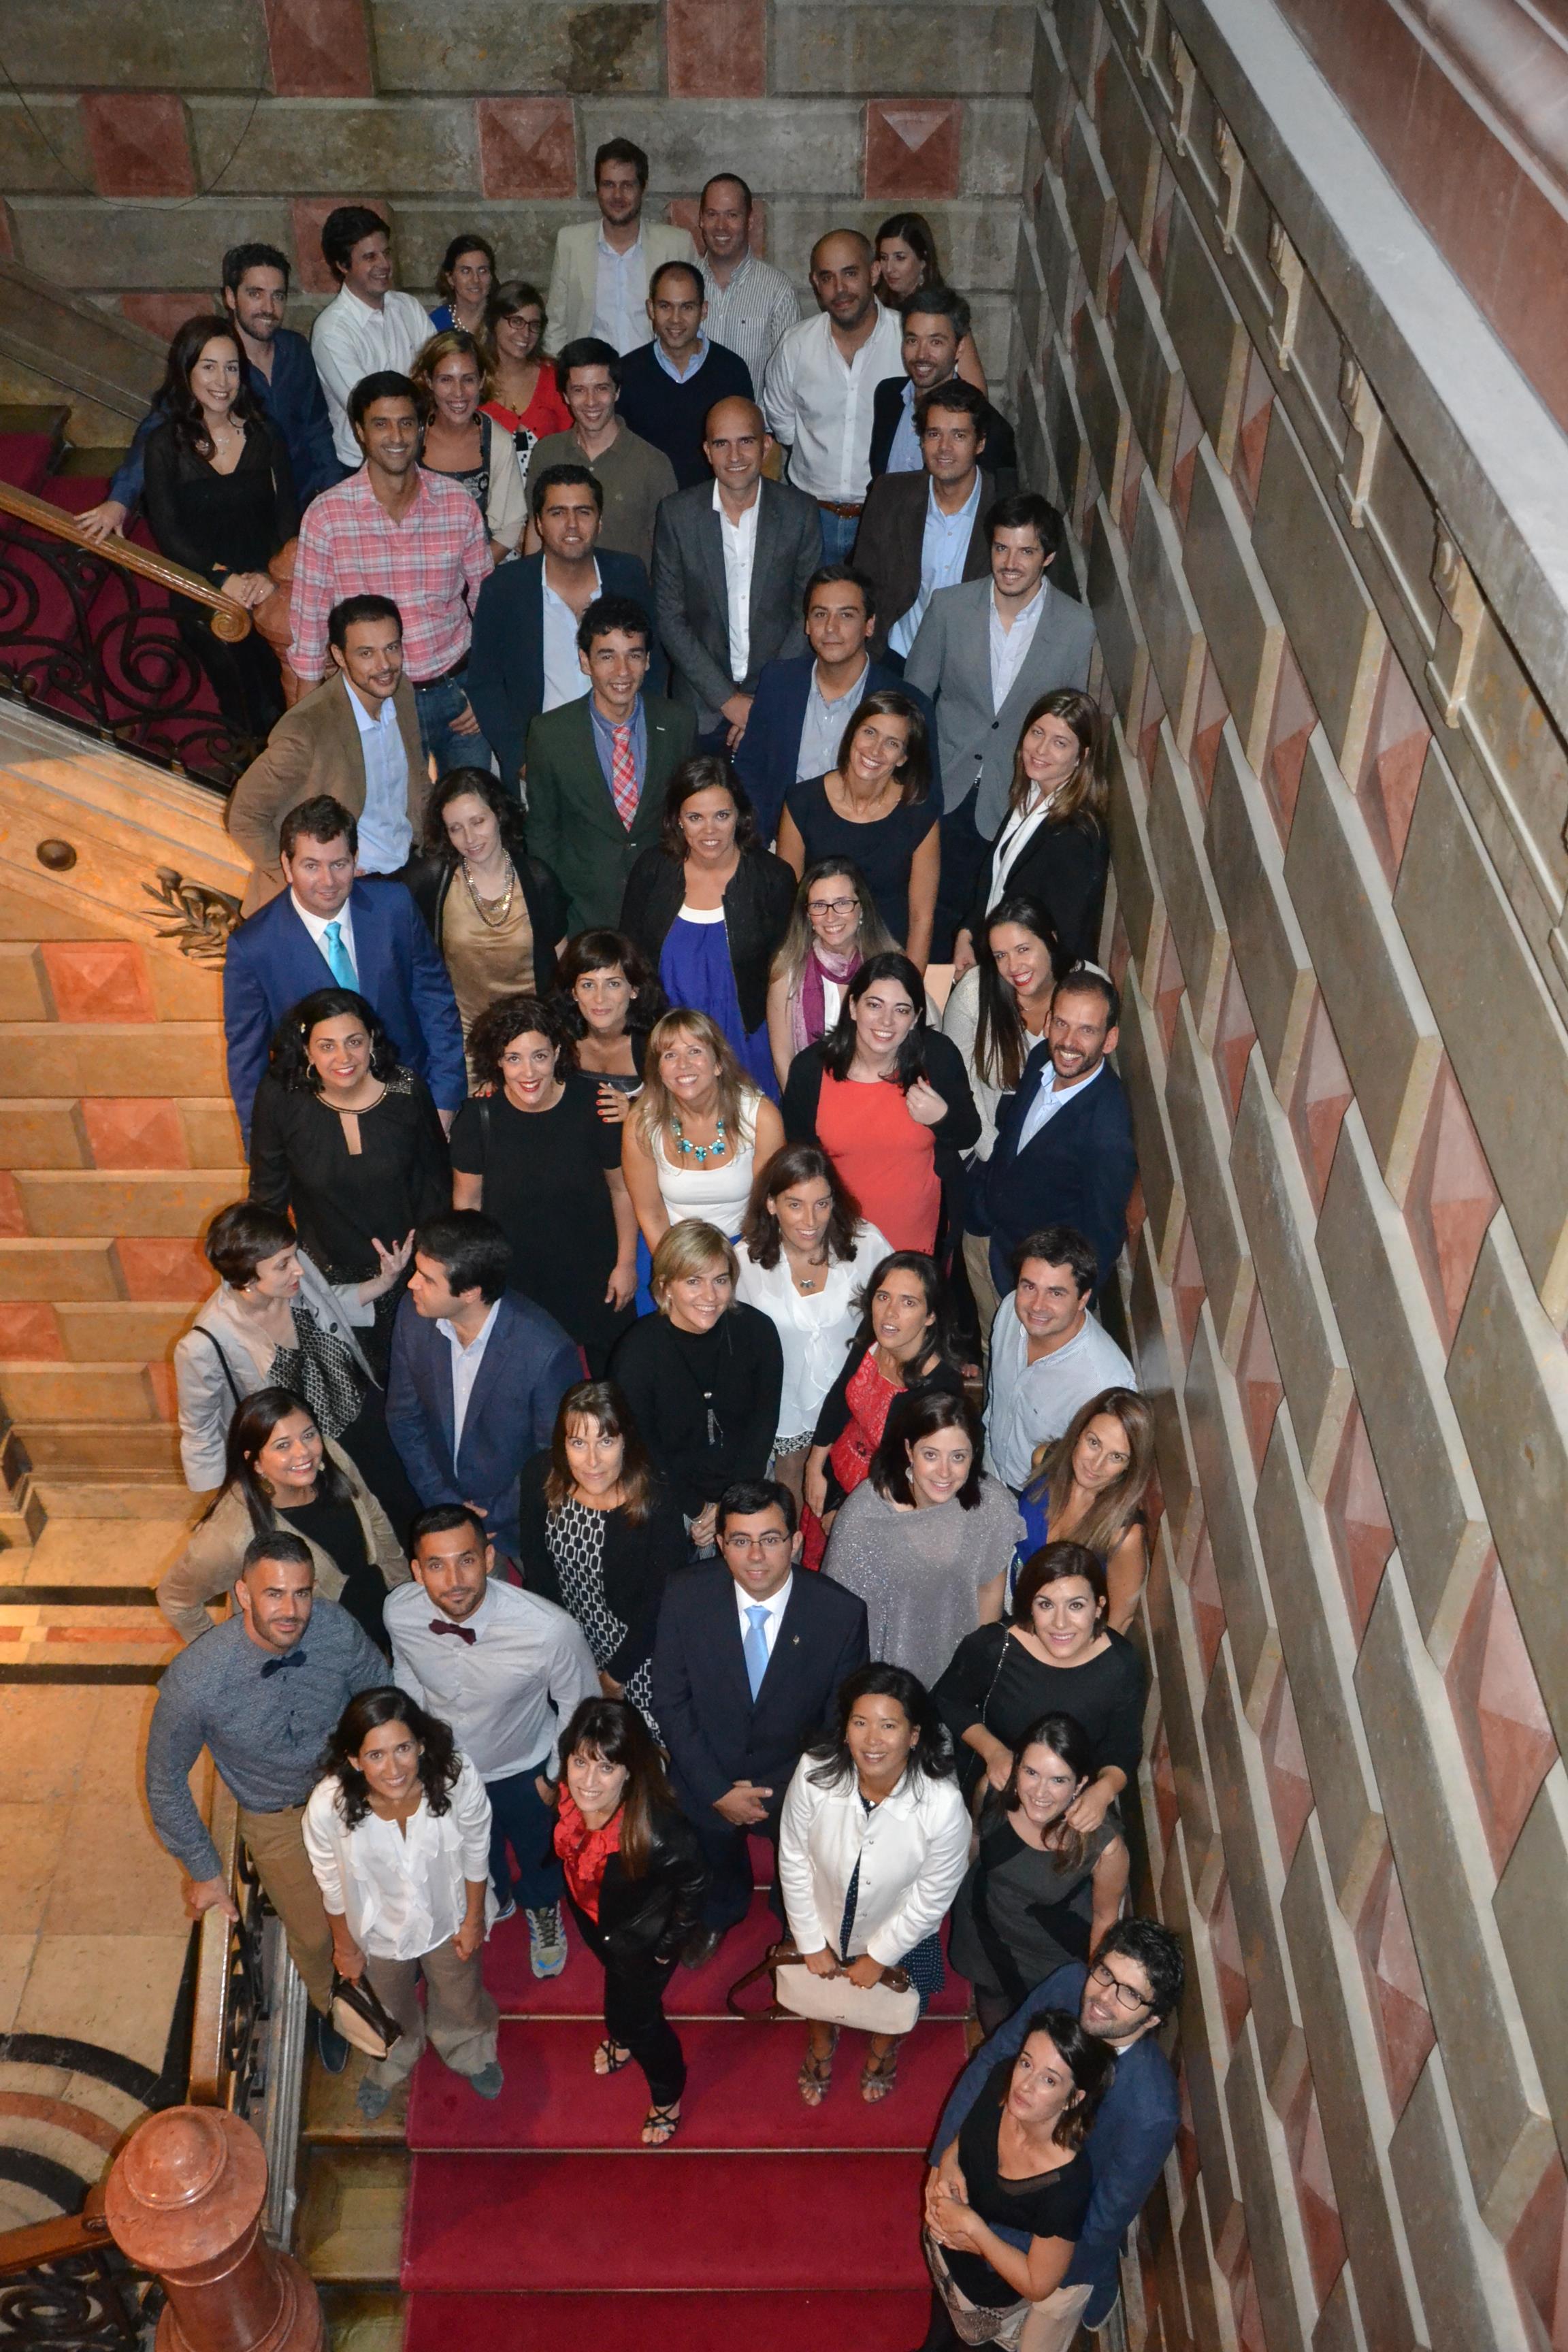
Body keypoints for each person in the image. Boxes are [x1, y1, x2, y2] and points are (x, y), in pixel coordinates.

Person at [145, 1533, 387, 2072]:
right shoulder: (196, 1679)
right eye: (274, 1594)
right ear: (243, 1595)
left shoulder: (334, 1627)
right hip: (277, 1816)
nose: (291, 1610)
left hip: (349, 1789)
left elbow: (379, 1688)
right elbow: (164, 1781)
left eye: (301, 1593)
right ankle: (334, 2008)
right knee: (314, 1935)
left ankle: (389, 1977)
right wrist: (204, 1869)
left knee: (379, 1897)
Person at [926, 1918, 1186, 2344]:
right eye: (1105, 1973)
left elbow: (1100, 2221)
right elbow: (995, 2061)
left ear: (1153, 2019)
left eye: (1130, 1994)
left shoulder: (1150, 2110)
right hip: (1008, 2185)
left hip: (1056, 2240)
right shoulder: (1069, 1986)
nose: (1104, 1997)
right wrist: (944, 2161)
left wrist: (986, 2241)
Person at [651, 1477, 868, 1962]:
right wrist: (717, 1791)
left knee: (804, 1870)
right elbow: (670, 1700)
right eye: (740, 1541)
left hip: (797, 1780)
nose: (755, 1556)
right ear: (720, 1543)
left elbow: (842, 1722)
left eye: (770, 1539)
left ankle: (794, 1920)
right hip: (708, 1774)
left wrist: (780, 1790)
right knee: (713, 1855)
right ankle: (721, 1912)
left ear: (797, 1541)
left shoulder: (840, 1613)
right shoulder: (685, 1595)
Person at [388, 1504, 599, 1978]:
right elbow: (406, 1669)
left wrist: (554, 1776)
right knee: (472, 1849)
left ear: (488, 1558)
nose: (454, 1580)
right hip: (448, 1769)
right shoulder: (399, 1611)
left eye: (466, 1560)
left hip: (524, 1768)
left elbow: (581, 1707)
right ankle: (496, 1897)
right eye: (436, 1565)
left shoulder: (549, 1630)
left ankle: (543, 1908)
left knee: (538, 1852)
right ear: (417, 1571)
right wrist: (417, 1747)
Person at [904, 494, 1097, 959]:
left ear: (1048, 557)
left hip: (1014, 797)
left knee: (988, 925)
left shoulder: (1075, 626)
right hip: (944, 788)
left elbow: (1068, 721)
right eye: (1001, 548)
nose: (1010, 564)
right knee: (928, 915)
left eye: (1026, 551)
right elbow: (913, 701)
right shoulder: (949, 607)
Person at [306, 1686, 504, 2117]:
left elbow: (476, 1848)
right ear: (354, 1760)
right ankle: (393, 2060)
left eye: (403, 1749)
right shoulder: (327, 1807)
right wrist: (344, 1946)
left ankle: (469, 2049)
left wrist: (473, 1918)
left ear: (421, 1745)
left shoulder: (455, 1777)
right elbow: (330, 1883)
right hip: (376, 1930)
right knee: (388, 2004)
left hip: (448, 1913)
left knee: (460, 1991)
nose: (393, 1769)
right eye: (376, 1755)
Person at [779, 1663, 968, 2106]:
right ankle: (821, 2044)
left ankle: (883, 2050)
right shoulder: (814, 1772)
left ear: (914, 1735)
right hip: (822, 1910)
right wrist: (810, 1940)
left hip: (900, 1929)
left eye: (888, 1726)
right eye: (860, 1723)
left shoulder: (943, 1805)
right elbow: (793, 1857)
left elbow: (932, 1897)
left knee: (891, 2004)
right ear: (845, 1729)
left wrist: (881, 1955)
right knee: (818, 1989)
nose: (872, 1740)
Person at [223, 798, 466, 1144]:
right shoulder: (254, 947)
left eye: (339, 864)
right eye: (311, 866)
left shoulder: (394, 907)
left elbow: (436, 1005)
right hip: (320, 1132)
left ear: (355, 860)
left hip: (412, 1109)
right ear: (287, 866)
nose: (328, 881)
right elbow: (248, 1063)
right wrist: (264, 1151)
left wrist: (444, 1101)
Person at [288, 372, 493, 775]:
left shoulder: (457, 504)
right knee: (394, 815)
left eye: (406, 423)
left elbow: (488, 604)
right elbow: (309, 637)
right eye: (381, 424)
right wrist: (307, 740)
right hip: (374, 705)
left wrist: (488, 689)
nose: (396, 436)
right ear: (360, 432)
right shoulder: (327, 517)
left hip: (458, 695)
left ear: (421, 429)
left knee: (474, 806)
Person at [174, 1201, 414, 1534]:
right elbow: (199, 1430)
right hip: (309, 1458)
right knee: (354, 1534)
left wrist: (384, 1282)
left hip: (364, 1419)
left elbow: (329, 1302)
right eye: (283, 1265)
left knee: (403, 1515)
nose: (298, 1269)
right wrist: (228, 1505)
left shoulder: (294, 1278)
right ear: (247, 1276)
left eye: (294, 1256)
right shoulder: (205, 1344)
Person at [246, 990, 451, 1369]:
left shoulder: (407, 1089)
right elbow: (267, 1198)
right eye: (327, 1046)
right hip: (328, 1283)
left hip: (411, 1278)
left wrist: (433, 1268)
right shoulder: (281, 1096)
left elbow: (437, 1187)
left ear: (372, 1040)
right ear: (307, 1051)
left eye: (354, 1042)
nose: (343, 1058)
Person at [80, 242, 336, 542]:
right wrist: (120, 499)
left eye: (278, 296)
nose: (269, 308)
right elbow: (155, 435)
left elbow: (317, 429)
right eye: (255, 294)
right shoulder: (209, 363)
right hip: (250, 517)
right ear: (230, 297)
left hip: (307, 503)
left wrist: (334, 495)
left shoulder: (296, 349)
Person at [451, 996, 638, 1371]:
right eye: (513, 1058)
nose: (528, 1072)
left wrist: (626, 1264)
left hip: (595, 1275)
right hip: (517, 1282)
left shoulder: (596, 1105)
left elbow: (622, 1191)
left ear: (557, 1053)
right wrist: (477, 1278)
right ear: (498, 1061)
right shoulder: (477, 1118)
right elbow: (467, 1207)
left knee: (611, 1383)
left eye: (539, 1056)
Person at [385, 1211, 583, 1566]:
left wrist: (490, 1516)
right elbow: (404, 1417)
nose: (411, 1284)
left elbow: (554, 1455)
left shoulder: (545, 1351)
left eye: (427, 1279)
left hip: (521, 1522)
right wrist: (444, 1502)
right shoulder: (413, 1317)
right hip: (443, 1507)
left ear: (470, 1293)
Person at [553, 1696, 708, 2144]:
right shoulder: (568, 1800)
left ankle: (667, 2093)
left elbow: (696, 1884)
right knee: (620, 2000)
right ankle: (621, 2036)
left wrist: (667, 1947)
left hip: (643, 1944)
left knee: (641, 2023)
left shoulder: (660, 1831)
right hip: (599, 1923)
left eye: (606, 1767)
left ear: (629, 1771)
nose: (587, 1782)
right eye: (580, 1762)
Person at [156, 1388, 410, 1652]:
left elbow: (373, 1515)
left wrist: (404, 1593)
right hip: (321, 1653)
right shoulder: (231, 1534)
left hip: (381, 1619)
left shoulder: (330, 1455)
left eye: (309, 1435)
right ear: (255, 1462)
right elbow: (176, 1599)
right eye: (283, 1445)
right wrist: (232, 1657)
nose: (303, 1453)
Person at [141, 314, 297, 736]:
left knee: (285, 692)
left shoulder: (266, 433)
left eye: (231, 368)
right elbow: (169, 534)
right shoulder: (164, 445)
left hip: (267, 580)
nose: (222, 381)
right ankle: (248, 754)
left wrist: (268, 575)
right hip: (203, 584)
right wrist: (223, 579)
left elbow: (287, 517)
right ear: (186, 371)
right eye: (208, 367)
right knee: (245, 696)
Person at [920, 2009, 1112, 2351]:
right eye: (1026, 2063)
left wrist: (973, 2228)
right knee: (938, 2337)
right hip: (948, 2256)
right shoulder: (1001, 2082)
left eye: (1049, 2080)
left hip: (990, 2289)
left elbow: (1038, 2284)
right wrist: (949, 2159)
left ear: (1073, 2098)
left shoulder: (1066, 2185)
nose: (1025, 2085)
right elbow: (970, 2132)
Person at [226, 596, 429, 912]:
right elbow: (243, 816)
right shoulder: (308, 729)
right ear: (339, 655)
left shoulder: (401, 692)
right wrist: (308, 880)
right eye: (366, 653)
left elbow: (416, 778)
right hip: (344, 892)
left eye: (392, 647)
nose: (384, 665)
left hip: (404, 869)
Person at [468, 465, 660, 791]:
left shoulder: (628, 574)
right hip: (543, 763)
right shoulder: (504, 589)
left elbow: (653, 663)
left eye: (583, 512)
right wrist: (520, 760)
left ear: (600, 521)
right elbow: (485, 684)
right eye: (558, 512)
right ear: (539, 524)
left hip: (624, 755)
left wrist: (644, 743)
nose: (572, 524)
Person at [781, 952, 979, 1257]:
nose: (886, 1021)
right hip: (836, 1239)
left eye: (901, 1010)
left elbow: (968, 1133)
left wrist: (942, 1117)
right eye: (874, 1005)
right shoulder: (811, 1069)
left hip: (919, 1242)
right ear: (853, 1007)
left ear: (915, 1018)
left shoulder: (937, 1056)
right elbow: (799, 1163)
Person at [518, 1381, 688, 1733]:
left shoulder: (655, 1495)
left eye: (606, 1442)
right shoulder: (541, 1476)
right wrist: (565, 1657)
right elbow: (539, 1575)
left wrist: (614, 1676)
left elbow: (660, 1602)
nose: (592, 1461)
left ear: (626, 1440)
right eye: (578, 1443)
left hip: (641, 1649)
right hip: (570, 1641)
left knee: (649, 1738)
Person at [651, 397, 821, 752]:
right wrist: (728, 700)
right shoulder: (677, 516)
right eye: (721, 444)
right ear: (707, 451)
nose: (734, 456)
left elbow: (807, 613)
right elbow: (669, 618)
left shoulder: (800, 513)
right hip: (701, 705)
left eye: (746, 441)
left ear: (766, 445)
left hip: (777, 701)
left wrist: (765, 701)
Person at [619, 757, 796, 1095]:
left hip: (748, 1044)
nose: (709, 831)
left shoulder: (774, 878)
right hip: (673, 1052)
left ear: (740, 816)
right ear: (677, 820)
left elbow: (788, 977)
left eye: (722, 816)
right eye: (695, 818)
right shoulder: (652, 870)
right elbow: (630, 965)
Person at [947, 1714, 1130, 2037]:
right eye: (1031, 1772)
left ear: (1081, 1785)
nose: (1040, 1792)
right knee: (992, 1999)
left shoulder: (1104, 1846)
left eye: (1058, 1780)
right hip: (984, 1926)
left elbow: (1105, 1919)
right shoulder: (992, 1789)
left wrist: (1093, 1984)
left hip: (1049, 1951)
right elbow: (974, 1841)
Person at [822, 1390, 1017, 1688]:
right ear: (909, 1451)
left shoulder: (990, 1505)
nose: (944, 1472)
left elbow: (990, 1591)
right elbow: (838, 1618)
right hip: (882, 1679)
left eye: (958, 1457)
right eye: (931, 1455)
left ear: (974, 1455)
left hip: (959, 1672)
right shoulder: (865, 1515)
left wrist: (978, 1672)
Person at [523, 595, 696, 931]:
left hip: (664, 908)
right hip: (584, 916)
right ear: (585, 662)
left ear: (648, 661)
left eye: (634, 655)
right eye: (607, 656)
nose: (622, 671)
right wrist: (555, 924)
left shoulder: (678, 723)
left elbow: (686, 816)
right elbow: (542, 835)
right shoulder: (549, 734)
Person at [934, 1544, 1146, 1816]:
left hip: (1074, 1801)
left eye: (1076, 1606)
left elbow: (1124, 1745)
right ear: (1030, 1607)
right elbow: (950, 1700)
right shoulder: (995, 1647)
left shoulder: (1121, 1664)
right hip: (997, 1790)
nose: (1060, 1623)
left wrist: (1104, 1791)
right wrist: (994, 1751)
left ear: (1098, 1607)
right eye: (1046, 1604)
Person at [734, 564, 938, 846]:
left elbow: (921, 801)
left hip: (865, 853)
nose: (831, 628)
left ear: (869, 625)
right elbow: (750, 769)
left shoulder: (908, 704)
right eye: (820, 614)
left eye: (846, 615)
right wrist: (757, 842)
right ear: (807, 624)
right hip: (777, 845)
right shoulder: (779, 682)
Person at [734, 1142, 891, 1502]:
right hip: (785, 1404)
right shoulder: (745, 1262)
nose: (810, 1221)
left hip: (856, 1401)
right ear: (771, 1204)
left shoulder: (866, 1244)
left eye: (822, 1204)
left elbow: (903, 1306)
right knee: (791, 1487)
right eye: (795, 1205)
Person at [609, 1222, 783, 1543]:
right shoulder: (637, 1353)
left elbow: (763, 1426)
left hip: (747, 1484)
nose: (710, 1296)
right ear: (666, 1286)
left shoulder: (758, 1333)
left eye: (720, 1280)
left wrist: (731, 1506)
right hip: (669, 1494)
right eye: (693, 1281)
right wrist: (699, 1511)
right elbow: (645, 1449)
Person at [970, 975, 1138, 1305]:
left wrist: (1064, 1308)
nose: (1068, 1042)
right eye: (1062, 1023)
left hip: (1035, 1289)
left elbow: (1102, 1235)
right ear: (1047, 1022)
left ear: (1110, 1039)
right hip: (985, 1239)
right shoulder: (1041, 1059)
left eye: (1087, 1030)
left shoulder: (1107, 1132)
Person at [801, 1249, 966, 1554]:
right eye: (883, 1297)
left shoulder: (940, 1387)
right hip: (835, 1475)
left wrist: (846, 1513)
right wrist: (815, 1465)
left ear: (931, 1316)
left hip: (884, 1504)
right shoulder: (874, 1335)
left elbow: (915, 1474)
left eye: (908, 1302)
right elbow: (839, 1398)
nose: (890, 1313)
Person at [762, 231, 905, 560]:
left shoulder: (906, 341)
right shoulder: (796, 345)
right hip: (810, 518)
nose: (839, 289)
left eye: (850, 273)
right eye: (827, 277)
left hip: (885, 519)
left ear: (874, 272)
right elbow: (782, 422)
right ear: (815, 282)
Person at [953, 691, 1109, 973]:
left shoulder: (1075, 835)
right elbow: (997, 883)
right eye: (1037, 733)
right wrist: (969, 933)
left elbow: (1061, 941)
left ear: (1082, 757)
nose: (1041, 750)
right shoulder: (1030, 795)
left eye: (1059, 743)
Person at [778, 691, 940, 961]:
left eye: (892, 743)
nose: (875, 750)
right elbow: (789, 903)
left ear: (903, 757)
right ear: (852, 733)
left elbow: (922, 917)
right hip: (817, 956)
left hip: (887, 961)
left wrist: (909, 982)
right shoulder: (802, 801)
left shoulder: (919, 815)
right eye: (869, 733)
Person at [407, 771, 568, 1039]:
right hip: (462, 1038)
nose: (469, 838)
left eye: (478, 822)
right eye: (456, 828)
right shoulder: (431, 881)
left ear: (499, 815)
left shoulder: (537, 878)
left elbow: (562, 960)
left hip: (532, 1035)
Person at [983, 1228, 1135, 1496]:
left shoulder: (1104, 1382)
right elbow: (996, 1397)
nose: (1037, 1306)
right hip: (988, 1467)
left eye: (1055, 1293)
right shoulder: (1010, 1311)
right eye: (1029, 1287)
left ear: (1083, 1299)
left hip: (1039, 1497)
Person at [620, 1009, 785, 1252]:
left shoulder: (761, 1117)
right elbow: (650, 1212)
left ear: (718, 1064)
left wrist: (737, 1263)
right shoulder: (641, 1124)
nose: (683, 1065)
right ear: (659, 1071)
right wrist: (676, 1267)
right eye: (670, 1055)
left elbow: (768, 1207)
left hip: (747, 1244)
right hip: (671, 1246)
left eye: (695, 1051)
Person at [854, 384, 993, 667]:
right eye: (934, 434)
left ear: (980, 443)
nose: (944, 448)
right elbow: (863, 582)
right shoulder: (889, 495)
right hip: (896, 654)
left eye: (959, 435)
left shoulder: (1002, 507)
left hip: (969, 664)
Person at [943, 895, 1066, 1201]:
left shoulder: (1085, 988)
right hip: (986, 1142)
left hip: (1058, 1145)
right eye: (1000, 955)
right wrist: (997, 1155)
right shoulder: (974, 994)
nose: (1013, 967)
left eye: (1023, 949)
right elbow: (958, 1084)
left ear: (1051, 940)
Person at [526, 339, 679, 569]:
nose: (591, 402)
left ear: (617, 391)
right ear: (565, 396)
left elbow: (669, 553)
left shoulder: (653, 464)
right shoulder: (547, 452)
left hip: (628, 591)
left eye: (601, 388)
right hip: (556, 590)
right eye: (579, 390)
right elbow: (535, 529)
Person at [1016, 1389, 1154, 1629]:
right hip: (1011, 1602)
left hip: (1060, 1635)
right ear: (1079, 1432)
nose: (1096, 1465)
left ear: (1129, 1467)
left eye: (1116, 1457)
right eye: (1094, 1443)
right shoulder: (1045, 1460)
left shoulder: (1124, 1535)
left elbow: (1118, 1622)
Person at [546, 137, 697, 354]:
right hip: (593, 373)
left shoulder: (677, 245)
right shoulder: (571, 243)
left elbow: (696, 322)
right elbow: (556, 326)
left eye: (627, 185)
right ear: (598, 189)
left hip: (656, 371)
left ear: (643, 187)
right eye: (609, 185)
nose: (617, 195)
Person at [310, 208, 434, 470]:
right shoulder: (332, 331)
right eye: (370, 257)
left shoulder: (409, 307)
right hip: (363, 468)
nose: (384, 265)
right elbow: (372, 410)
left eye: (386, 253)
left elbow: (439, 375)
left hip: (419, 457)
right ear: (343, 265)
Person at [616, 263, 755, 491]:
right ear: (651, 309)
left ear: (704, 310)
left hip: (715, 503)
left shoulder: (731, 370)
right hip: (648, 504)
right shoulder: (627, 372)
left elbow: (748, 446)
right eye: (665, 306)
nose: (676, 319)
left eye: (687, 307)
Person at [766, 859, 898, 1087]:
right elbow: (783, 1060)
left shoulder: (892, 965)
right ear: (807, 914)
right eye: (819, 905)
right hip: (814, 1096)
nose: (830, 916)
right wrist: (805, 1107)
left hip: (883, 1092)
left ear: (861, 907)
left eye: (842, 903)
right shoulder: (787, 969)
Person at [868, 284, 1016, 488]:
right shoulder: (888, 395)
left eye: (936, 342)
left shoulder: (989, 427)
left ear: (959, 348)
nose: (921, 354)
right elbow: (879, 482)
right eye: (912, 340)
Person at [409, 327, 527, 559]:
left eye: (468, 379)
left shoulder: (497, 441)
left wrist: (473, 572)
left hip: (479, 566)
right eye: (446, 380)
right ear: (429, 381)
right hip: (413, 565)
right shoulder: (409, 434)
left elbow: (511, 526)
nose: (459, 393)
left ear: (482, 380)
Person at [551, 928, 666, 1126]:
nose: (599, 998)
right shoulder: (555, 1038)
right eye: (588, 985)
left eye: (613, 984)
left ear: (634, 989)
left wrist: (638, 1113)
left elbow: (689, 1112)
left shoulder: (660, 1042)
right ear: (573, 992)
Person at [695, 172, 802, 386]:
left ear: (750, 221)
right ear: (701, 220)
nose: (721, 226)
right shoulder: (683, 286)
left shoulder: (777, 290)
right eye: (712, 214)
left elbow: (791, 378)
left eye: (732, 215)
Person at [872, 216, 987, 389]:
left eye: (900, 258)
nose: (889, 268)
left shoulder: (944, 314)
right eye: (884, 258)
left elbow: (977, 391)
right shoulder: (877, 307)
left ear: (923, 260)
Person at [480, 279, 573, 477]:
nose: (526, 333)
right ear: (494, 321)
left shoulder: (555, 377)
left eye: (534, 325)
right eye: (516, 322)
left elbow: (572, 444)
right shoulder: (473, 380)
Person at [429, 233, 495, 336]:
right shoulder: (434, 324)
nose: (476, 279)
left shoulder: (502, 321)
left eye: (482, 271)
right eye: (466, 271)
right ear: (450, 278)